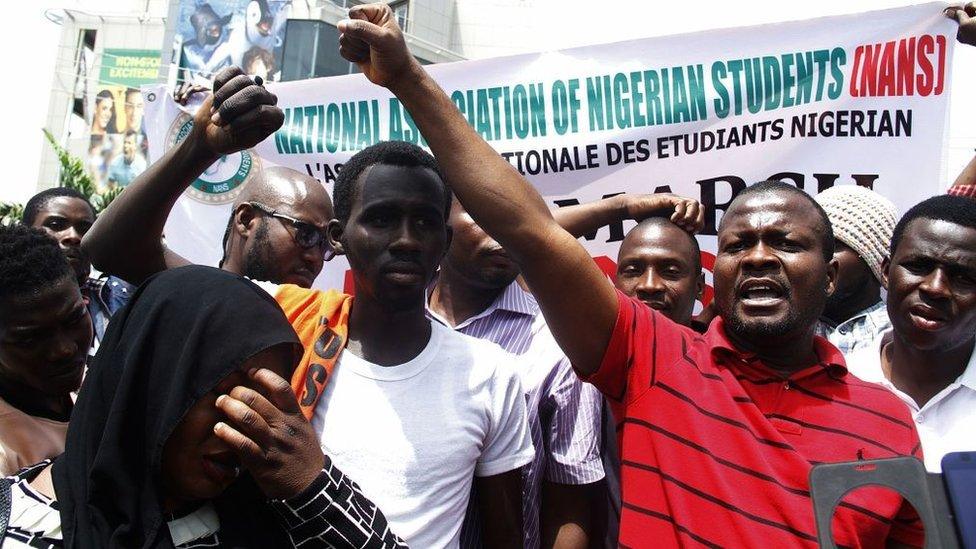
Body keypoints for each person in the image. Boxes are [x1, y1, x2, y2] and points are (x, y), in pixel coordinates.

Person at [336, 5, 925, 547]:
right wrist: (408, 78)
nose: (759, 257)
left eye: (787, 244)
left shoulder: (889, 423)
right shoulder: (655, 358)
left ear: (831, 278)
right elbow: (532, 233)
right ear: (715, 276)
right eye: (737, 243)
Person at [88, 78, 535, 545]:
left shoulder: (490, 372)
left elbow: (503, 535)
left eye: (424, 222)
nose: (405, 239)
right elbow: (112, 248)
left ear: (444, 242)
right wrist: (199, 148)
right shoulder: (276, 315)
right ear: (340, 237)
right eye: (381, 219)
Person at [1, 265, 407, 548]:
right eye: (223, 391)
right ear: (151, 384)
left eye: (264, 397)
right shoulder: (15, 522)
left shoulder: (274, 517)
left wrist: (314, 487)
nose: (244, 420)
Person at [428, 199, 605, 549]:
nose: (505, 230)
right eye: (483, 215)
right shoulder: (387, 322)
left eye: (513, 217)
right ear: (437, 223)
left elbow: (570, 503)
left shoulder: (559, 344)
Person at [83, 70, 334, 289]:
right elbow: (109, 249)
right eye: (306, 234)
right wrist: (199, 147)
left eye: (325, 245)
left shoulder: (321, 326)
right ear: (246, 220)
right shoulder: (197, 295)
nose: (315, 258)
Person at [846, 195, 976, 473]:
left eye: (963, 277)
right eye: (918, 266)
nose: (935, 288)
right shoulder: (833, 382)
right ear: (885, 272)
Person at [0, 225, 91, 476]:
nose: (63, 350)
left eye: (74, 320)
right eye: (30, 338)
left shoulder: (98, 387)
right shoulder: (6, 450)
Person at [23, 188, 132, 355]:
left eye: (84, 228)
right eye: (56, 225)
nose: (73, 236)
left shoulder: (117, 296)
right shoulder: (8, 298)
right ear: (25, 231)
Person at [814, 185, 897, 355]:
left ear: (875, 258)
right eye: (808, 247)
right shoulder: (785, 328)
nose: (815, 260)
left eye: (832, 247)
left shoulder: (903, 334)